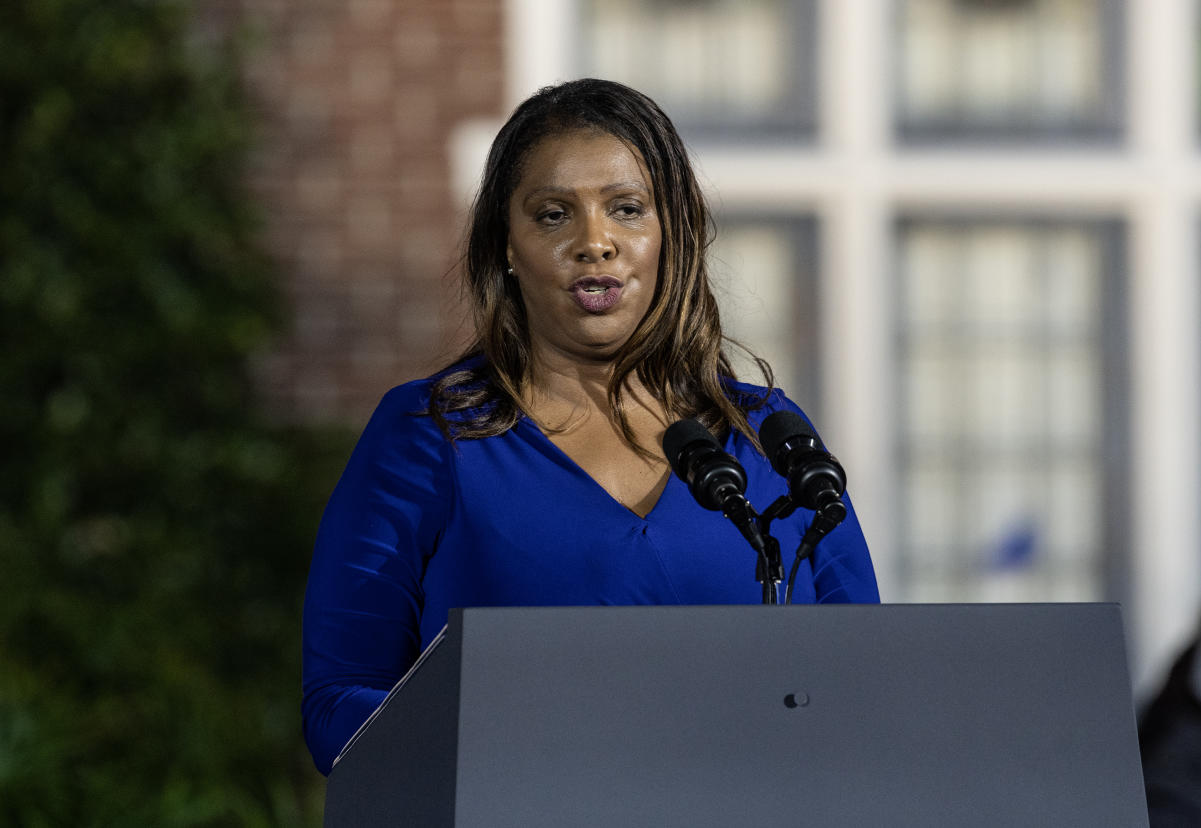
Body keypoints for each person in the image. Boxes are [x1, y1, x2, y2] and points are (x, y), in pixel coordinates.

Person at [300, 78, 880, 775]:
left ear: (674, 233)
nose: (594, 242)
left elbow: (865, 698)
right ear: (506, 247)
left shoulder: (766, 441)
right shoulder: (431, 435)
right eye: (552, 215)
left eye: (627, 209)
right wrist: (534, 740)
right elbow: (338, 707)